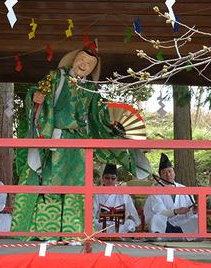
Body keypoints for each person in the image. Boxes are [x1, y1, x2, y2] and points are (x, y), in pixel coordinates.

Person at [11, 45, 150, 238]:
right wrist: (36, 97)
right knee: (52, 184)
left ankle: (73, 233)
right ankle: (47, 232)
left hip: (79, 144)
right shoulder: (56, 78)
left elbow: (98, 116)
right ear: (74, 59)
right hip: (57, 138)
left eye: (90, 64)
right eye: (81, 60)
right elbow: (35, 93)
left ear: (93, 70)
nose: (84, 65)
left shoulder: (91, 89)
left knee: (77, 187)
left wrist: (112, 125)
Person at [143, 153, 198, 235]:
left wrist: (194, 210)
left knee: (197, 219)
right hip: (166, 225)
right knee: (156, 218)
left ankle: (185, 236)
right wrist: (176, 211)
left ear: (174, 172)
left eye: (170, 171)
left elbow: (190, 211)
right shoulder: (155, 190)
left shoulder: (183, 188)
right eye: (164, 173)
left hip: (182, 223)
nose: (168, 175)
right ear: (160, 175)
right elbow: (160, 212)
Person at [93, 163, 141, 233]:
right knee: (93, 222)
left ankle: (117, 234)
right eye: (107, 178)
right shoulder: (96, 194)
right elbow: (92, 213)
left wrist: (130, 217)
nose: (110, 181)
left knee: (129, 223)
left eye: (113, 178)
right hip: (102, 223)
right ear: (102, 178)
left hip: (119, 223)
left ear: (116, 179)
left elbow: (133, 214)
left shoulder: (124, 194)